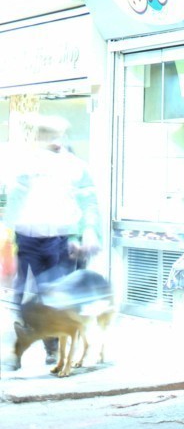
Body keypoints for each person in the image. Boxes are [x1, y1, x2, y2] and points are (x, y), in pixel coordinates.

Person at [4, 118, 99, 306]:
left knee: (57, 296)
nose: (54, 141)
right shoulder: (26, 165)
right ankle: (30, 318)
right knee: (25, 292)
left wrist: (89, 231)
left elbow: (88, 201)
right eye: (47, 136)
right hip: (28, 239)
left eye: (58, 136)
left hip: (61, 240)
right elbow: (14, 201)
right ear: (38, 138)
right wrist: (8, 236)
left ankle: (52, 323)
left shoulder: (75, 167)